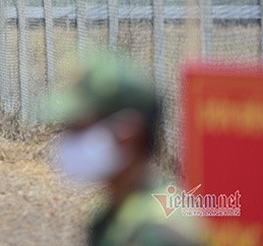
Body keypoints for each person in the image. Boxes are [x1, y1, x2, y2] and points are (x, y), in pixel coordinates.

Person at [40, 50, 206, 246]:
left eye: (79, 129)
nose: (68, 140)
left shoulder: (160, 233)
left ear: (128, 134)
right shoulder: (111, 214)